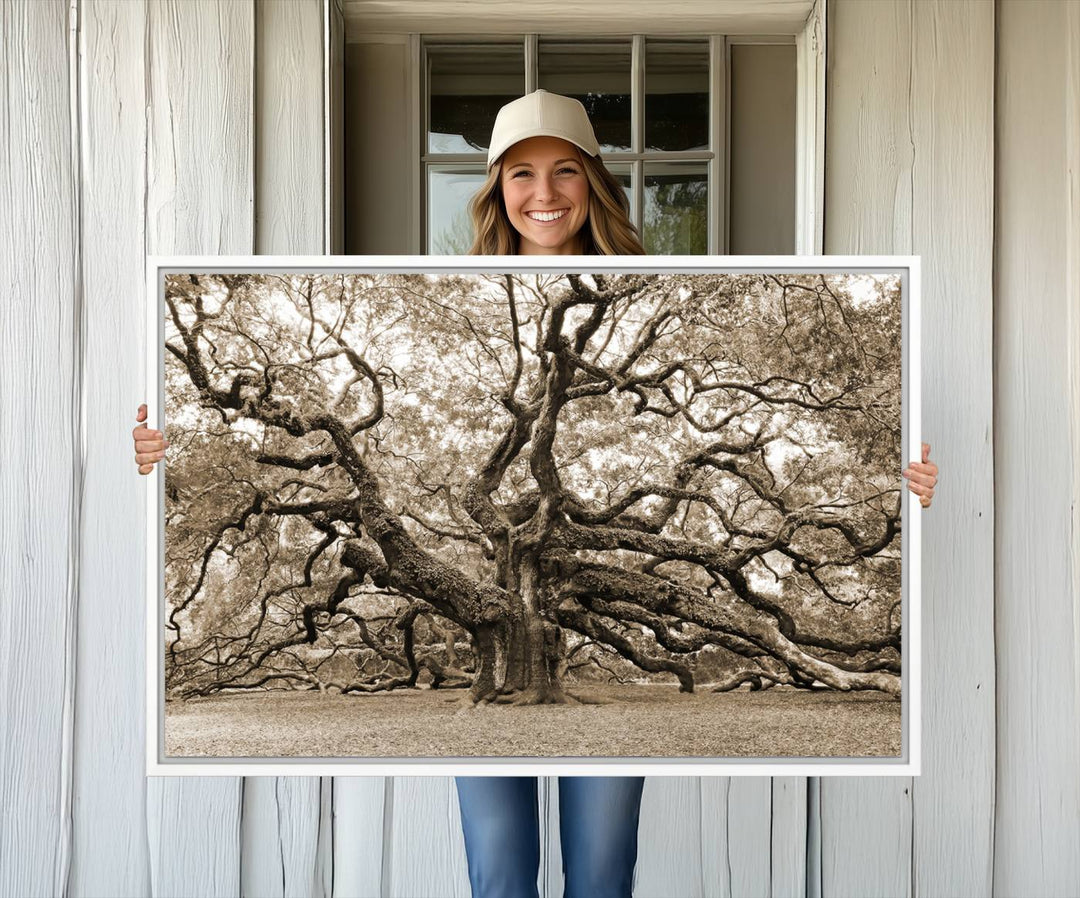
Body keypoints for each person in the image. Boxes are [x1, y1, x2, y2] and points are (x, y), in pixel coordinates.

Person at [132, 89, 940, 898]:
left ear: (594, 182)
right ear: (496, 190)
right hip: (494, 702)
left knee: (600, 879)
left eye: (565, 171)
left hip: (577, 650)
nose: (544, 193)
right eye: (521, 173)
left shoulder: (655, 285)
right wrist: (159, 455)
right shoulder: (437, 289)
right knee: (500, 880)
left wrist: (896, 493)